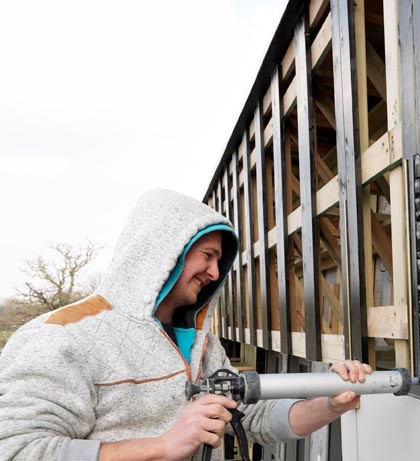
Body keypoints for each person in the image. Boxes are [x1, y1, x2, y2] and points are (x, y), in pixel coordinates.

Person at [0, 189, 372, 461]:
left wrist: (330, 403)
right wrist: (163, 445)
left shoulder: (200, 346)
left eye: (218, 261)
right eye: (208, 256)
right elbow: (17, 450)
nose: (214, 273)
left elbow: (254, 420)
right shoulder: (62, 336)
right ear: (163, 253)